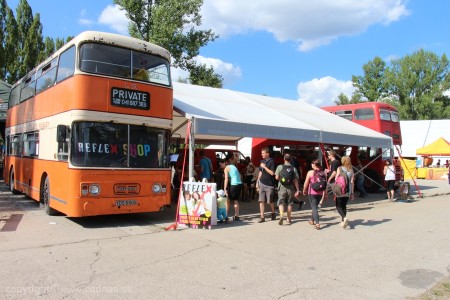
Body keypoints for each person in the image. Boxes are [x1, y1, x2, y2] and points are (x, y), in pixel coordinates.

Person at [274, 154, 300, 225]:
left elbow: (276, 177)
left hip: (281, 187)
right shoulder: (293, 168)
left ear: (284, 159)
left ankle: (282, 215)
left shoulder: (280, 167)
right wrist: (297, 190)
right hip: (290, 188)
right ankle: (288, 218)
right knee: (290, 203)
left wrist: (282, 179)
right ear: (291, 159)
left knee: (281, 202)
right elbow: (295, 180)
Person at [255, 147, 276, 223]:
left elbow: (272, 173)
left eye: (263, 153)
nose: (262, 154)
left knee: (270, 201)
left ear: (267, 154)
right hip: (262, 183)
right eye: (261, 153)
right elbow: (260, 172)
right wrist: (257, 181)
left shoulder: (272, 162)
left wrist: (265, 167)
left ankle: (273, 213)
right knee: (261, 200)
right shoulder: (262, 161)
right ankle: (262, 217)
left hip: (269, 184)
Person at [302, 159, 325, 230]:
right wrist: (325, 192)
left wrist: (304, 189)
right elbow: (325, 183)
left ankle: (317, 223)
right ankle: (312, 220)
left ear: (314, 165)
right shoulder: (323, 172)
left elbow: (306, 182)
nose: (311, 165)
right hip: (320, 192)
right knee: (314, 206)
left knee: (314, 207)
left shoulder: (310, 172)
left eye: (312, 164)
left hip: (312, 192)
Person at [335, 156, 354, 229]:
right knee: (344, 206)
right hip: (348, 190)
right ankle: (343, 221)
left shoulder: (339, 168)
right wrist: (352, 192)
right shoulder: (351, 170)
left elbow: (336, 179)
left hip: (340, 190)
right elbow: (352, 182)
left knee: (338, 206)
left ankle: (344, 217)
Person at [222, 154, 243, 221]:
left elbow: (226, 179)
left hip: (234, 184)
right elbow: (238, 175)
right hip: (239, 184)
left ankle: (226, 215)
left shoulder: (226, 168)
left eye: (221, 165)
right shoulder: (233, 166)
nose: (220, 166)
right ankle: (237, 216)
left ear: (225, 163)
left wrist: (224, 189)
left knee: (227, 200)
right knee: (235, 200)